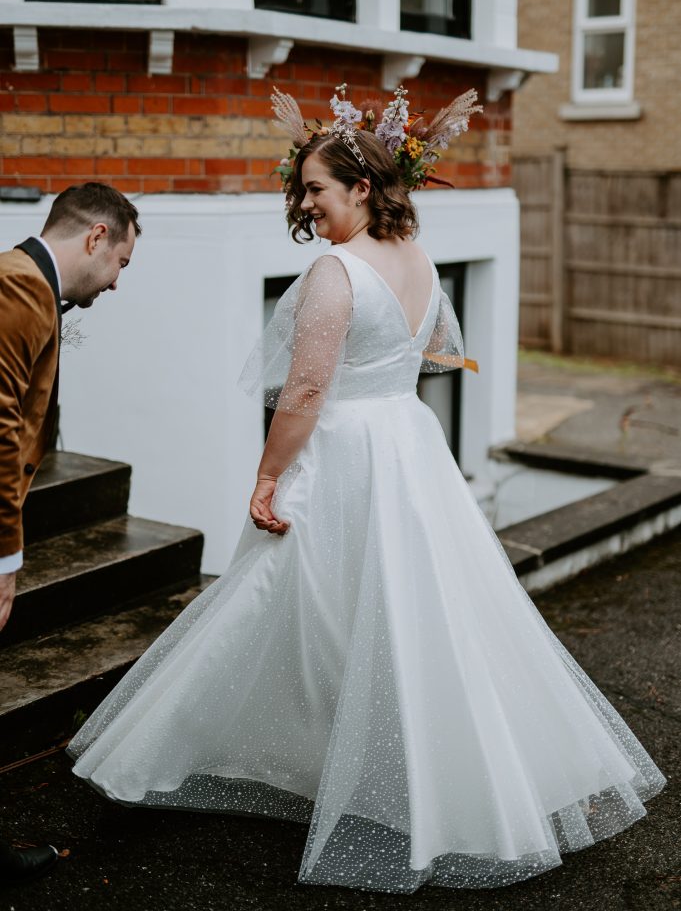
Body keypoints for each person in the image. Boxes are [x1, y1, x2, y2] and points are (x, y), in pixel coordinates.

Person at [67, 91, 665, 894]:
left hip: (345, 448)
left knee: (293, 595)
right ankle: (387, 768)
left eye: (315, 188)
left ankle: (193, 750)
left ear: (358, 187)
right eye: (302, 190)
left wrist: (268, 471)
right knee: (412, 613)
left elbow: (307, 391)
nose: (304, 203)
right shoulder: (416, 258)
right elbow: (430, 356)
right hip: (406, 442)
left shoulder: (337, 270)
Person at [0, 182, 140, 883]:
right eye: (121, 263)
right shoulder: (18, 287)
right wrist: (5, 559)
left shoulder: (22, 281)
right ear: (95, 237)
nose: (116, 283)